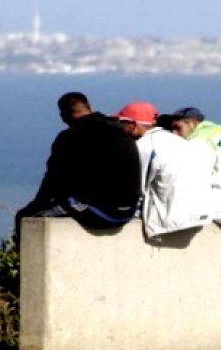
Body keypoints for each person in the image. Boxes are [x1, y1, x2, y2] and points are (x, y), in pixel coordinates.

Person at [15, 92, 142, 240]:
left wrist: (35, 206)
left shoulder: (69, 138)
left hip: (105, 213)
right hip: (128, 211)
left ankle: (24, 261)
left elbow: (53, 180)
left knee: (27, 217)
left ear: (63, 115)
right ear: (90, 107)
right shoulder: (120, 131)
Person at [113, 101, 212, 239]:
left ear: (133, 125)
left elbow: (135, 190)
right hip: (201, 218)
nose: (120, 128)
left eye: (122, 123)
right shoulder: (182, 142)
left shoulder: (143, 146)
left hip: (167, 224)